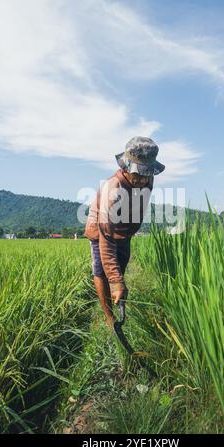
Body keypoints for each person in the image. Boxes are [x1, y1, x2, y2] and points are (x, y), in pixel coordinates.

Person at [84, 136, 165, 327]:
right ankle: (109, 318)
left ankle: (119, 304)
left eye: (147, 173)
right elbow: (107, 239)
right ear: (125, 167)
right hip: (101, 231)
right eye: (138, 174)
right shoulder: (112, 189)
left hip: (125, 231)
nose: (143, 179)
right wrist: (115, 281)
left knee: (120, 269)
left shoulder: (146, 180)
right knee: (103, 272)